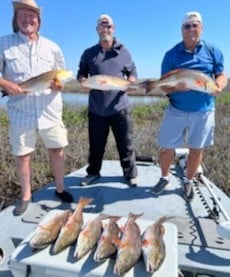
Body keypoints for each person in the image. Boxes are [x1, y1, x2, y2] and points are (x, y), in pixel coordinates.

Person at [0, 0, 73, 216]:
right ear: (15, 19)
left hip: (50, 110)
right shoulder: (4, 43)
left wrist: (60, 84)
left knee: (57, 150)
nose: (27, 19)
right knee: (23, 155)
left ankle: (60, 188)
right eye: (22, 15)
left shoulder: (53, 47)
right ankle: (25, 196)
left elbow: (63, 76)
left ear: (38, 21)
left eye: (31, 16)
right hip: (21, 111)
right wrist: (7, 85)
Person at [151, 11, 228, 201]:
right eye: (187, 26)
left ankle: (187, 180)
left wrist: (219, 85)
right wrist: (176, 88)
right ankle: (164, 177)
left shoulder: (213, 51)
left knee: (196, 149)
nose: (191, 29)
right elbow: (164, 87)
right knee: (166, 147)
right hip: (176, 110)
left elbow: (221, 74)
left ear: (201, 28)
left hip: (204, 112)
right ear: (181, 30)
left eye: (195, 25)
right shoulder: (171, 54)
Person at [77, 14, 138, 187]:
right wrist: (83, 82)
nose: (106, 29)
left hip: (120, 107)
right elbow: (81, 74)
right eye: (102, 26)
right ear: (97, 29)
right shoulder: (89, 53)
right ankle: (93, 173)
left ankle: (130, 174)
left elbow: (132, 71)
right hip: (97, 109)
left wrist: (130, 82)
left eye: (109, 26)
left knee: (126, 144)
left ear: (114, 28)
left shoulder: (123, 51)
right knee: (96, 146)